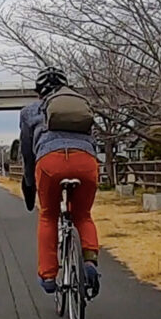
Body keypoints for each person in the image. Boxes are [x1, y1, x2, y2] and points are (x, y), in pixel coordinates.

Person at [19, 66, 101, 297]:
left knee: (48, 215)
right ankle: (90, 263)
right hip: (85, 160)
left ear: (39, 92)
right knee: (83, 215)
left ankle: (48, 275)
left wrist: (28, 184)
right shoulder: (80, 106)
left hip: (50, 162)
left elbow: (27, 153)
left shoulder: (30, 111)